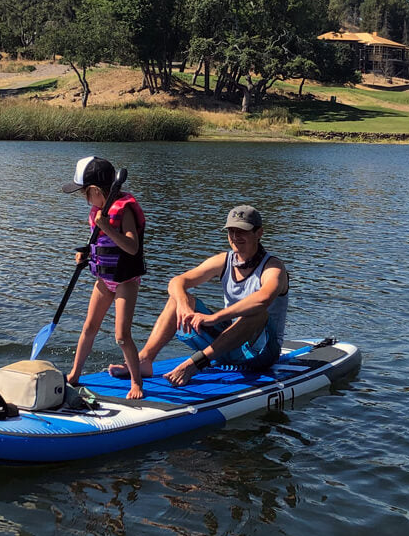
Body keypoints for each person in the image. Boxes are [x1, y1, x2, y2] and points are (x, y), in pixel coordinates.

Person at [110, 205, 288, 387]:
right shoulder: (224, 260)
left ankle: (195, 363)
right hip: (227, 345)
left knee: (258, 312)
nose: (235, 237)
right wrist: (183, 305)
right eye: (231, 231)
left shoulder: (273, 268)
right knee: (177, 298)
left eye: (242, 231)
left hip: (262, 353)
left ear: (259, 233)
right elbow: (177, 282)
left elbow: (262, 299)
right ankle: (144, 361)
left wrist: (215, 317)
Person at [61, 156, 147, 399]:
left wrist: (107, 226)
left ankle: (136, 382)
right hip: (104, 279)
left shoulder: (124, 209)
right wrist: (84, 254)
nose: (84, 199)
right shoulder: (98, 211)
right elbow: (100, 244)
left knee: (121, 336)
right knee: (89, 327)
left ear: (96, 190)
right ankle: (75, 374)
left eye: (84, 193)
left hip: (125, 280)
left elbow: (131, 247)